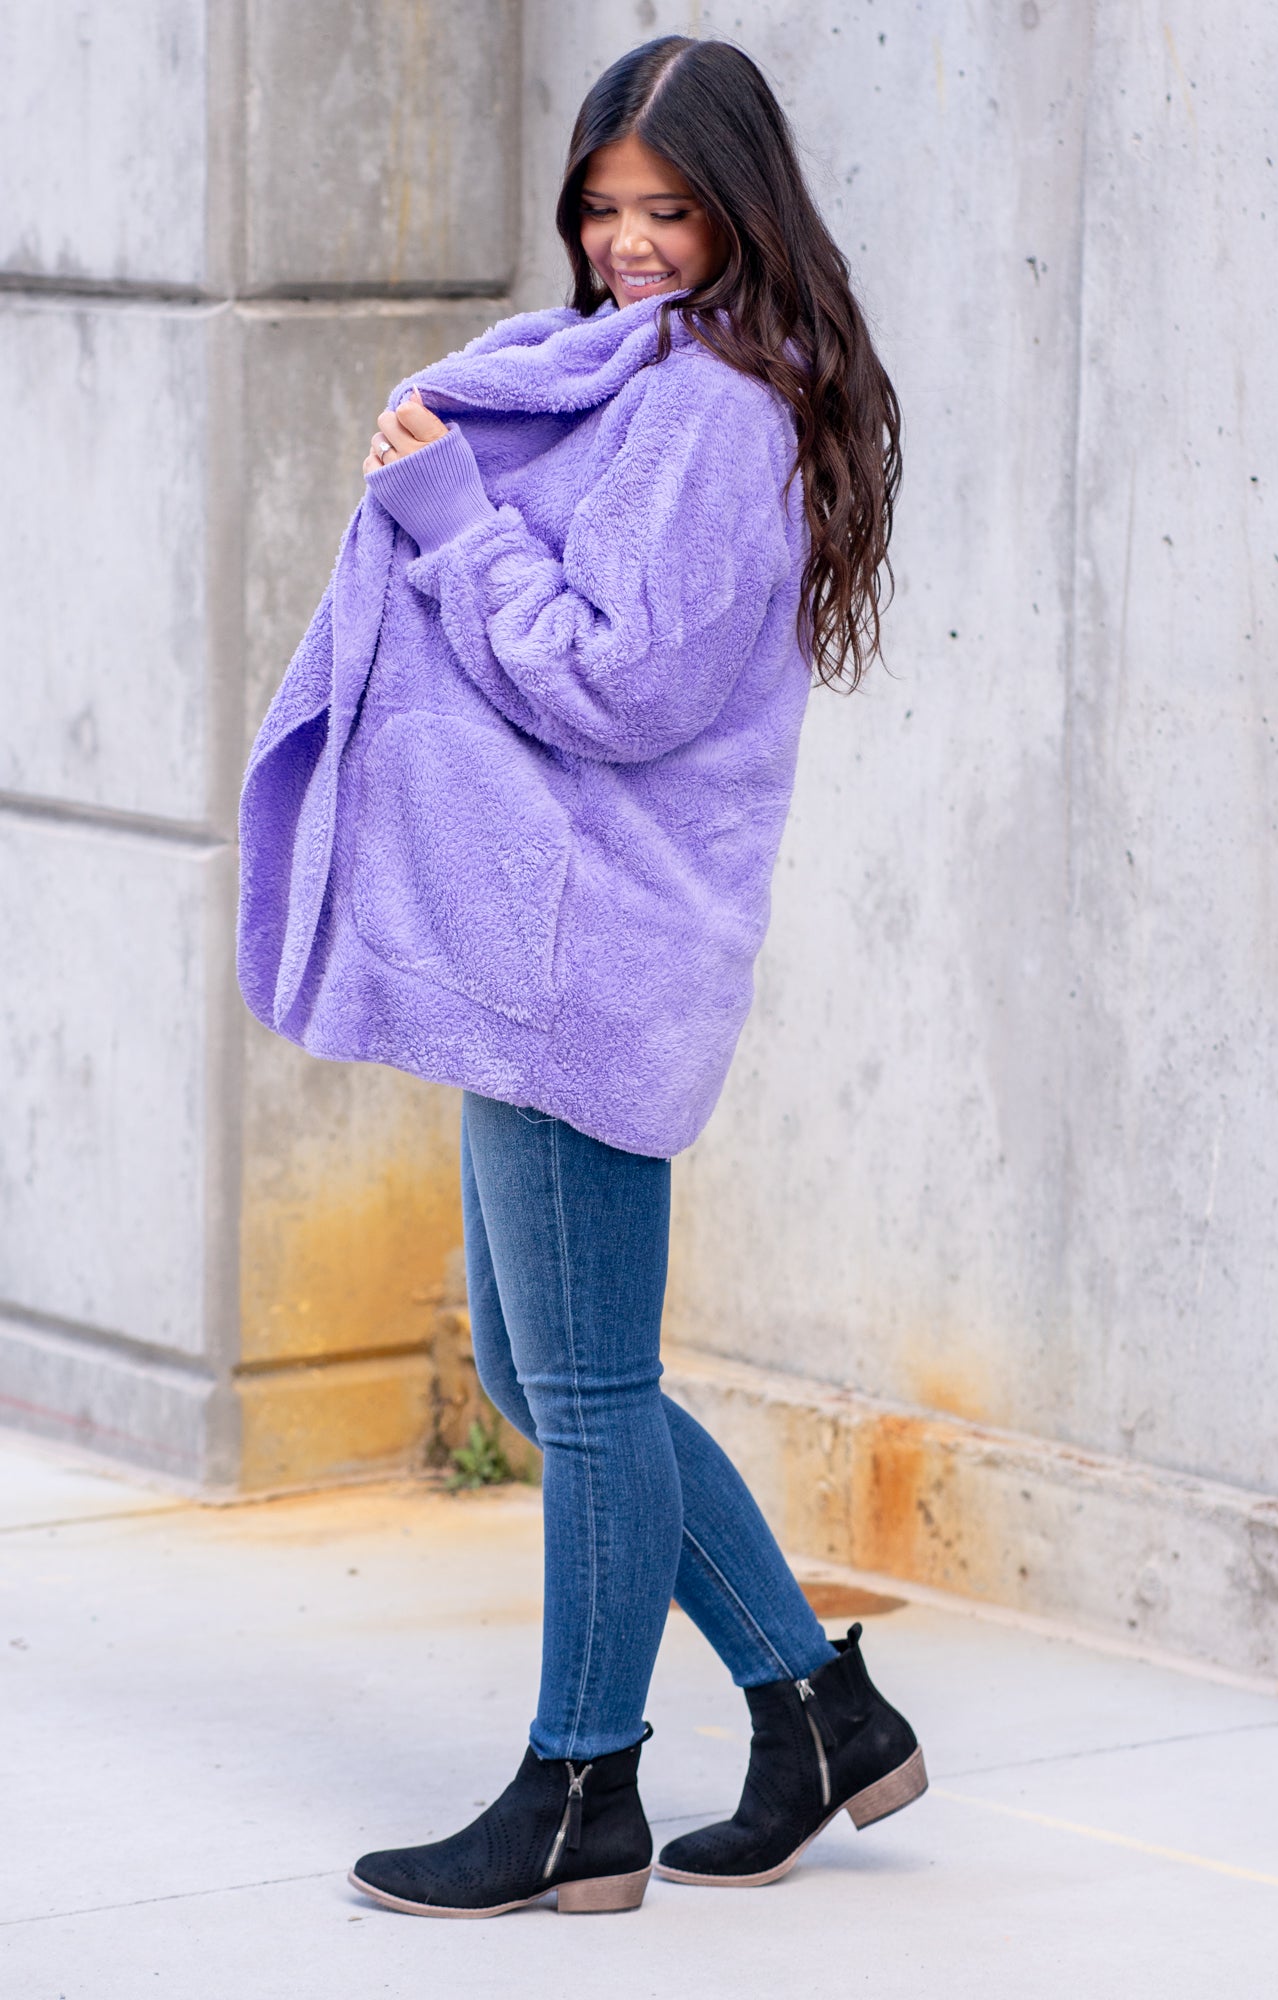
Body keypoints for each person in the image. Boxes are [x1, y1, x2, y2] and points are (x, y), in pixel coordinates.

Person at [237, 34, 923, 1920]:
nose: (627, 245)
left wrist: (454, 522)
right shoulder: (645, 374)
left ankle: (575, 1793)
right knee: (548, 1383)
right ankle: (816, 1714)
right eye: (603, 209)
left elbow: (619, 683)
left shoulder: (712, 410)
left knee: (589, 1390)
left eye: (668, 211)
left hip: (580, 951)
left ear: (741, 210)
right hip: (551, 933)